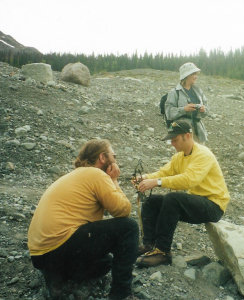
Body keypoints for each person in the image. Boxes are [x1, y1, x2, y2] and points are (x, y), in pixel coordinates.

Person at [28, 139, 139, 300]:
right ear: (102, 157)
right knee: (129, 228)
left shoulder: (75, 175)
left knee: (105, 262)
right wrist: (114, 180)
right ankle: (121, 294)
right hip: (61, 245)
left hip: (41, 256)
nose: (116, 160)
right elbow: (122, 210)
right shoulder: (96, 173)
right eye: (113, 155)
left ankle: (58, 280)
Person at [133, 120, 230, 267]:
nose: (172, 143)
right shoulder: (179, 156)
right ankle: (149, 245)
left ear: (188, 136)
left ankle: (163, 252)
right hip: (196, 201)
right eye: (171, 140)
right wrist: (145, 178)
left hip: (214, 205)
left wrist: (157, 182)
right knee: (152, 201)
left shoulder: (203, 155)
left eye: (175, 139)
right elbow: (164, 172)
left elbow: (189, 180)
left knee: (173, 199)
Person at [165, 62, 209, 143]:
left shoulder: (198, 91)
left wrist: (204, 110)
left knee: (199, 155)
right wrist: (184, 109)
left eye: (196, 74)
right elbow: (168, 113)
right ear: (186, 76)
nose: (196, 77)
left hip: (198, 131)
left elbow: (207, 110)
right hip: (181, 132)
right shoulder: (174, 92)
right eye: (193, 74)